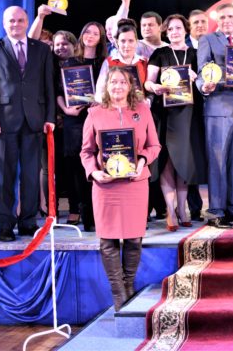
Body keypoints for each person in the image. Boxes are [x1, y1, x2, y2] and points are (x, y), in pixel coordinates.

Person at [80, 67, 160, 311]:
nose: (117, 86)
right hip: (106, 187)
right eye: (113, 82)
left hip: (135, 184)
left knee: (134, 238)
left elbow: (154, 146)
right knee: (108, 241)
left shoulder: (143, 110)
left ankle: (128, 287)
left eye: (123, 82)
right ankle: (119, 295)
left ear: (130, 86)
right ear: (106, 86)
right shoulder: (94, 113)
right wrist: (94, 172)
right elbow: (86, 152)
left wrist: (142, 161)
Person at [0, 6, 56, 242]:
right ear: (4, 23)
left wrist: (50, 117)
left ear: (27, 22)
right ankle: (5, 224)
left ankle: (28, 222)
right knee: (4, 176)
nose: (16, 24)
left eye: (20, 20)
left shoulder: (42, 49)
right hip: (3, 123)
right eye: (11, 20)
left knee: (31, 175)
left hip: (34, 121)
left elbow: (48, 86)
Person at [144, 15, 206, 231]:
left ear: (186, 30)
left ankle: (183, 209)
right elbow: (148, 82)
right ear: (166, 32)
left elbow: (205, 83)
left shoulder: (196, 54)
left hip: (189, 115)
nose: (174, 32)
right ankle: (170, 210)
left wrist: (196, 77)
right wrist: (154, 87)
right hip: (166, 113)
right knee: (167, 161)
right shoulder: (160, 53)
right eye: (170, 29)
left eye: (178, 28)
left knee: (184, 162)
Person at [196, 3, 233, 228]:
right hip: (218, 106)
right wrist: (204, 86)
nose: (226, 21)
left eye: (230, 16)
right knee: (218, 162)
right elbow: (202, 72)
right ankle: (217, 211)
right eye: (222, 18)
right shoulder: (208, 40)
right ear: (217, 21)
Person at [73, 21, 109, 231]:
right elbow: (59, 90)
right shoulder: (71, 61)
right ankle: (86, 216)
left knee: (99, 164)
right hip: (76, 118)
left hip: (100, 118)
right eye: (87, 31)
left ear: (101, 38)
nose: (90, 35)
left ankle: (100, 215)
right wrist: (66, 108)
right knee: (80, 169)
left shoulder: (105, 62)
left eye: (95, 33)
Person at [52, 30, 86, 226]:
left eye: (65, 44)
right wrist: (65, 109)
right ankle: (67, 209)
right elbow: (57, 92)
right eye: (57, 44)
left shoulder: (82, 65)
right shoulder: (51, 66)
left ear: (74, 45)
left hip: (80, 120)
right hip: (59, 123)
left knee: (79, 168)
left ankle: (81, 208)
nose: (61, 47)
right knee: (64, 169)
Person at [185, 9, 209, 222]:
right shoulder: (181, 50)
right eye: (196, 22)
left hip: (214, 108)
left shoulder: (214, 45)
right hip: (189, 111)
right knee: (192, 156)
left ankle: (218, 204)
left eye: (203, 21)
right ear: (189, 26)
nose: (200, 25)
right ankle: (194, 207)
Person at [95, 22, 148, 103]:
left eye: (131, 41)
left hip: (140, 107)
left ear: (136, 42)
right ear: (117, 42)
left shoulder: (144, 62)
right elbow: (99, 92)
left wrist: (147, 102)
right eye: (123, 41)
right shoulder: (108, 62)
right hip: (114, 107)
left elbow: (149, 91)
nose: (126, 45)